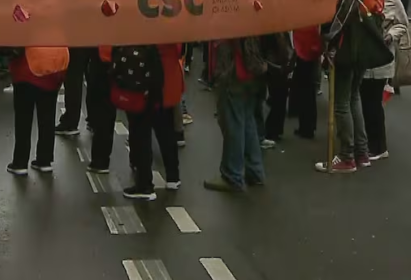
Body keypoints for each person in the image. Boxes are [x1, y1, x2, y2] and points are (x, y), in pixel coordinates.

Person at [317, 0, 385, 174]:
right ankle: (361, 152)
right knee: (354, 97)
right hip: (364, 49)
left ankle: (347, 155)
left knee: (341, 102)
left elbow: (340, 14)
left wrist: (328, 39)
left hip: (348, 47)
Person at [102, 43, 184, 201]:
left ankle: (144, 183)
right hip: (167, 75)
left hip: (142, 75)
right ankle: (173, 176)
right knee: (165, 127)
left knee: (140, 130)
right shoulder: (173, 29)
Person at [360, 0, 409, 162]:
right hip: (364, 56)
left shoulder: (393, 0)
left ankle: (379, 146)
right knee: (363, 101)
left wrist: (390, 35)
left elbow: (403, 24)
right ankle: (367, 143)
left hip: (381, 57)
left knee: (373, 103)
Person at [204, 37, 267, 193]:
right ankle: (255, 170)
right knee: (248, 120)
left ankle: (232, 175)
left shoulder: (230, 23)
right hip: (252, 68)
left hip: (234, 70)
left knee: (234, 123)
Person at [4, 47, 68, 175]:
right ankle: (44, 160)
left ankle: (20, 162)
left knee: (23, 118)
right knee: (47, 117)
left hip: (28, 67)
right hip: (54, 65)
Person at [56, 47, 99, 137]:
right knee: (92, 75)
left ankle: (71, 122)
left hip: (77, 44)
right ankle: (95, 119)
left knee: (73, 78)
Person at [290, 25, 323, 139]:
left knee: (304, 92)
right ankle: (309, 126)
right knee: (309, 92)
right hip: (311, 50)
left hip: (303, 51)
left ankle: (305, 127)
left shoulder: (303, 22)